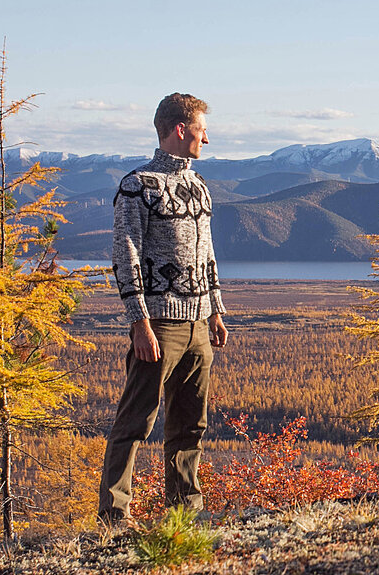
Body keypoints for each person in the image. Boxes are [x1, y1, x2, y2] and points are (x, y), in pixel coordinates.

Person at [98, 93, 229, 525]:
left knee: (191, 424)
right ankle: (115, 517)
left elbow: (206, 251)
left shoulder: (199, 186)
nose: (205, 138)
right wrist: (139, 322)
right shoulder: (137, 186)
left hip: (197, 323)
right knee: (136, 422)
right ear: (180, 129)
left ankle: (185, 513)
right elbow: (126, 254)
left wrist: (215, 309)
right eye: (201, 129)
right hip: (159, 326)